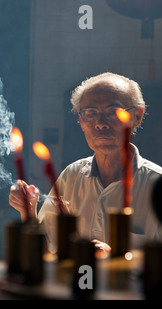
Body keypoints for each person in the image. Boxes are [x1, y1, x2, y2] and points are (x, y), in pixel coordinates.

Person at [9, 72, 162, 254]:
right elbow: (45, 250)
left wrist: (119, 259)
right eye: (90, 113)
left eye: (113, 112)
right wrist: (28, 211)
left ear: (137, 116)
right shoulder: (72, 175)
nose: (100, 123)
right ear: (81, 121)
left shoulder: (156, 185)